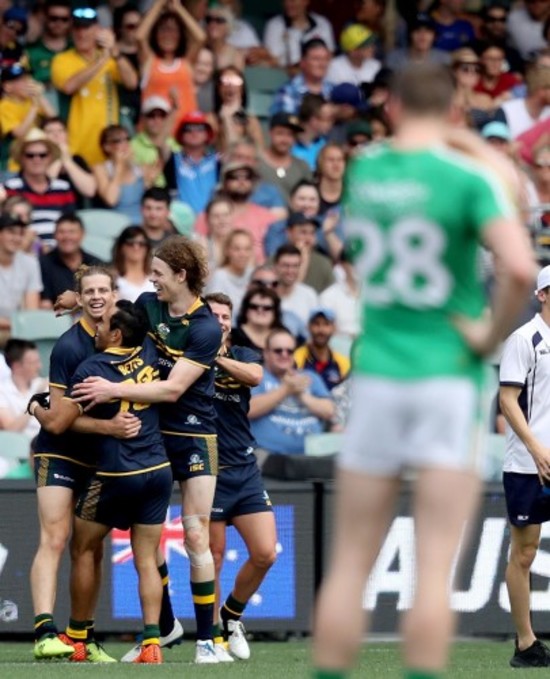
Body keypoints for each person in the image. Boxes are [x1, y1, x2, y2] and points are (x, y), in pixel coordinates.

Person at [311, 62, 535, 678]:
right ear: (455, 111)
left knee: (351, 561)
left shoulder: (367, 170)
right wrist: (487, 336)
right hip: (445, 377)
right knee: (434, 567)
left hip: (379, 372)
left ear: (391, 106)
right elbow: (519, 262)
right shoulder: (464, 175)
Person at [71, 236, 224, 664]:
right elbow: (115, 322)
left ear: (181, 275)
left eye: (158, 273)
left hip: (194, 434)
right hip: (153, 437)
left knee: (195, 535)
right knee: (147, 540)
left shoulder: (205, 326)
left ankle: (208, 641)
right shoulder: (146, 302)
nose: (151, 279)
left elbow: (174, 389)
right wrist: (76, 298)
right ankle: (164, 626)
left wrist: (111, 388)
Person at [30, 300, 173, 665]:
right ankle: (152, 643)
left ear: (117, 334)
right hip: (158, 469)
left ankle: (77, 637)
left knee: (82, 547)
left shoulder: (92, 369)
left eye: (104, 325)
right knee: (147, 559)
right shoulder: (150, 351)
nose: (97, 329)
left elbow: (59, 422)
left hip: (117, 473)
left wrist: (36, 407)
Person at [205, 292, 277, 661]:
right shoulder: (185, 357)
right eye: (213, 314)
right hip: (209, 472)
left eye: (225, 315)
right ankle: (214, 638)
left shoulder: (243, 353)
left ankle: (232, 615)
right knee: (213, 557)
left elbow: (255, 375)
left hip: (245, 470)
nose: (219, 320)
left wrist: (214, 357)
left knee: (265, 553)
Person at [499, 265, 550, 668]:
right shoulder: (525, 339)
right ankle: (525, 642)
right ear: (542, 295)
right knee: (525, 552)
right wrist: (536, 448)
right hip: (527, 463)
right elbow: (507, 399)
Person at [51, 6, 138, 166]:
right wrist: (101, 60)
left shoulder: (112, 58)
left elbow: (132, 83)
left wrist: (115, 52)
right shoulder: (62, 59)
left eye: (87, 28)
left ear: (98, 30)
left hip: (109, 147)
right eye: (77, 28)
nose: (81, 34)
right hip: (77, 147)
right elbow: (69, 86)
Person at [249, 327, 334, 456]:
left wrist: (303, 395)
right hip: (266, 457)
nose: (284, 354)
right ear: (266, 353)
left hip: (311, 459)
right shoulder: (256, 376)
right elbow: (248, 409)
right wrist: (285, 389)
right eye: (278, 351)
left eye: (290, 351)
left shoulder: (310, 377)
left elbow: (329, 411)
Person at [4, 127, 76, 251]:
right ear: (21, 158)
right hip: (25, 251)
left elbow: (70, 224)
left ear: (50, 158)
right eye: (30, 155)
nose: (37, 159)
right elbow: (9, 229)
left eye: (42, 155)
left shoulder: (63, 188)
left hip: (60, 252)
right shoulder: (10, 188)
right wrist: (38, 246)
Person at [137, 0, 204, 127]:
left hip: (185, 133)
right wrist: (158, 5)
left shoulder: (186, 62)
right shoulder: (150, 61)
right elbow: (140, 37)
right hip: (154, 135)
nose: (168, 35)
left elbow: (200, 37)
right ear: (155, 35)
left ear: (180, 36)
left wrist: (178, 8)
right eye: (163, 30)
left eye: (174, 31)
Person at [39, 213, 102, 308]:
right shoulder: (43, 264)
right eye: (61, 232)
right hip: (57, 319)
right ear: (55, 235)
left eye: (72, 232)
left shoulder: (95, 264)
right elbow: (45, 305)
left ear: (82, 234)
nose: (67, 237)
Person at [163, 110, 218, 214]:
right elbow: (161, 140)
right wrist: (175, 109)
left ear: (207, 134)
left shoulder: (217, 160)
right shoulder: (174, 159)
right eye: (188, 129)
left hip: (213, 221)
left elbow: (233, 145)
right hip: (182, 224)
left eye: (200, 128)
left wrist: (225, 117)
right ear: (181, 134)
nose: (194, 133)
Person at [0, 212, 42, 345]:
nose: (17, 238)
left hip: (19, 330)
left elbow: (31, 310)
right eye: (11, 232)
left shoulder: (30, 263)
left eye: (20, 233)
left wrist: (19, 326)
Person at [93, 124, 145, 223]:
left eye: (127, 139)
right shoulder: (100, 168)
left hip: (141, 222)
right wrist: (119, 166)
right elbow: (111, 200)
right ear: (106, 147)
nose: (125, 144)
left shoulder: (138, 167)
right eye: (118, 141)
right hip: (116, 223)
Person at [42, 117, 97, 209]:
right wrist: (59, 157)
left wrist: (67, 160)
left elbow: (90, 191)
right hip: (47, 210)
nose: (56, 135)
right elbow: (44, 188)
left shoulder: (77, 159)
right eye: (50, 132)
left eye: (61, 131)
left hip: (75, 214)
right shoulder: (37, 158)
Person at [0, 338, 46, 448]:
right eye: (34, 362)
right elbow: (11, 430)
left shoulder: (44, 385)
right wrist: (34, 401)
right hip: (15, 450)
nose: (40, 366)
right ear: (17, 366)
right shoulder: (2, 391)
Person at [263, 0, 335, 70]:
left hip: (318, 75)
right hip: (285, 76)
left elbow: (329, 55)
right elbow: (273, 60)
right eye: (285, 0)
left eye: (293, 0)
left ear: (306, 1)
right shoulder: (275, 25)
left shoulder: (322, 23)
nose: (288, 4)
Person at [270, 38, 334, 116]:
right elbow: (284, 125)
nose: (322, 64)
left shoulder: (334, 91)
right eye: (316, 59)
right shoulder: (288, 91)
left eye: (325, 59)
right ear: (302, 62)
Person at [259, 113, 312, 202]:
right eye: (280, 133)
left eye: (290, 135)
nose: (285, 139)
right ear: (270, 133)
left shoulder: (302, 166)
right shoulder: (255, 162)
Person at [209, 66, 264, 151]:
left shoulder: (251, 121)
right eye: (225, 80)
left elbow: (260, 152)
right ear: (218, 88)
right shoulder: (210, 120)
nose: (230, 85)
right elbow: (227, 153)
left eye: (235, 81)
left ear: (242, 89)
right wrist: (226, 118)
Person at [294, 307, 349, 390]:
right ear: (308, 327)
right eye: (316, 324)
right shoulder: (297, 358)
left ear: (334, 328)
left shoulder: (343, 362)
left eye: (326, 324)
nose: (321, 330)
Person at [131, 96, 180, 189]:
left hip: (171, 192)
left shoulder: (176, 144)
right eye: (151, 115)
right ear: (143, 118)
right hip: (145, 193)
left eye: (161, 116)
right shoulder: (132, 145)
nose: (156, 120)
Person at [25, 0, 72, 92]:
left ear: (71, 21)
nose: (59, 23)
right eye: (54, 18)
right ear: (45, 18)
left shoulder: (77, 49)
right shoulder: (30, 51)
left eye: (64, 19)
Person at [206, 228, 254, 314]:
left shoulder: (253, 274)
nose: (242, 254)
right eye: (237, 249)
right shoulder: (219, 277)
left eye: (247, 249)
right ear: (227, 251)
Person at [284, 211, 334, 293]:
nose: (308, 238)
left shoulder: (323, 262)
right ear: (289, 233)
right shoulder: (277, 258)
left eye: (312, 233)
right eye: (303, 232)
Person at [231, 286, 285, 355]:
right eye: (254, 306)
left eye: (267, 308)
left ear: (275, 312)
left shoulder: (283, 336)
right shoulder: (231, 336)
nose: (260, 310)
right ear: (245, 309)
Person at [273, 243, 318, 326]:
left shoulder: (309, 294)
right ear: (276, 266)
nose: (290, 271)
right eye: (285, 266)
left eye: (295, 266)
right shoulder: (267, 295)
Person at [112, 225, 156, 302]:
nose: (136, 247)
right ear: (121, 247)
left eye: (141, 243)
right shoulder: (113, 278)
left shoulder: (156, 276)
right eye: (130, 243)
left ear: (147, 248)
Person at [204, 3, 244, 72]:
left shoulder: (235, 55)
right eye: (209, 19)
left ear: (229, 26)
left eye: (219, 20)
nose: (213, 24)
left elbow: (236, 80)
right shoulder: (198, 48)